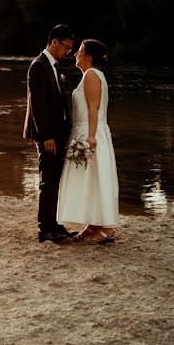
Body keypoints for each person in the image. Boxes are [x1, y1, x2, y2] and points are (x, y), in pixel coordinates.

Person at [57, 39, 120, 244]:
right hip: (85, 131)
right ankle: (93, 225)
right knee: (89, 180)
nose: (76, 53)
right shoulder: (88, 75)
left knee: (95, 179)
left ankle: (106, 229)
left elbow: (94, 108)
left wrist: (91, 138)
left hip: (90, 133)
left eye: (80, 51)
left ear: (89, 57)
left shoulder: (92, 75)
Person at [23, 24, 79, 243]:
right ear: (54, 41)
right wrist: (46, 136)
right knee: (48, 181)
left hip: (57, 133)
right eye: (66, 47)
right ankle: (44, 229)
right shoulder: (39, 65)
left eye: (71, 48)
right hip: (46, 135)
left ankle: (54, 224)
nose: (68, 52)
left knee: (55, 180)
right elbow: (37, 105)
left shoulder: (54, 66)